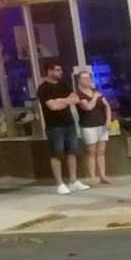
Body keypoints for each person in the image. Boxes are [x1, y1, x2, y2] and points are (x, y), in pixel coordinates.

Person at [36, 61, 90, 195]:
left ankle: (73, 180)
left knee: (72, 151)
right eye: (58, 70)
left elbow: (75, 98)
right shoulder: (43, 88)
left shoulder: (63, 84)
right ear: (49, 71)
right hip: (54, 126)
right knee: (56, 153)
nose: (61, 72)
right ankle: (59, 183)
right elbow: (52, 107)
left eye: (61, 70)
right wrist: (66, 101)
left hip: (69, 123)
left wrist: (60, 101)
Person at [75, 70, 112, 185]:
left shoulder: (96, 91)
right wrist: (95, 97)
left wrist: (108, 120)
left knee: (101, 151)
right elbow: (88, 107)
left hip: (101, 124)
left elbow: (107, 106)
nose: (88, 80)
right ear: (79, 80)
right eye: (85, 78)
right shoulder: (79, 95)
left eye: (89, 78)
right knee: (91, 151)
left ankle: (102, 175)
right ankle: (92, 176)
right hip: (88, 125)